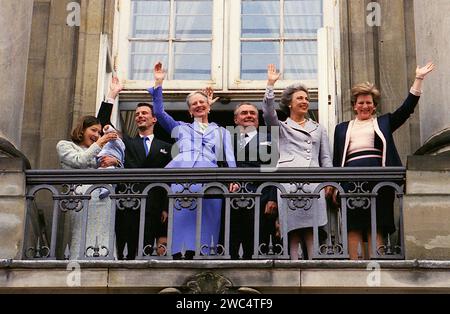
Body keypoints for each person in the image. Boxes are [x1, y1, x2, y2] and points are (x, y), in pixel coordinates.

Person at [333, 62, 435, 260]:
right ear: (354, 105)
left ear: (374, 106)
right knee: (353, 224)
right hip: (350, 181)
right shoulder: (342, 128)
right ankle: (354, 267)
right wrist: (335, 186)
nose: (365, 106)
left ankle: (376, 263)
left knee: (376, 223)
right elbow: (338, 158)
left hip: (379, 180)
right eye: (361, 102)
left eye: (369, 102)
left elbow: (406, 109)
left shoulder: (384, 122)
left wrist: (418, 79)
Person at [147, 62, 237, 259]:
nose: (198, 105)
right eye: (194, 104)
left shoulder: (221, 131)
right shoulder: (181, 128)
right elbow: (160, 113)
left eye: (201, 102)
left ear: (208, 107)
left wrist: (234, 178)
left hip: (210, 180)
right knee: (182, 223)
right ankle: (180, 255)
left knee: (208, 224)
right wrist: (158, 83)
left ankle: (206, 255)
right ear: (189, 111)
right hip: (183, 179)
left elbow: (229, 157)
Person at [262, 64, 333, 260]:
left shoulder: (318, 128)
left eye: (306, 99)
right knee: (292, 228)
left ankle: (312, 263)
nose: (304, 101)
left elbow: (325, 157)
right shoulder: (282, 127)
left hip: (313, 183)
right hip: (289, 182)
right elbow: (268, 114)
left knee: (312, 228)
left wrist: (329, 181)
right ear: (290, 104)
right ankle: (293, 265)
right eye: (299, 98)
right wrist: (270, 85)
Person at [103, 79, 172, 260]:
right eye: (137, 114)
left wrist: (165, 207)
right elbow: (103, 122)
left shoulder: (167, 146)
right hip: (128, 202)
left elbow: (169, 178)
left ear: (154, 118)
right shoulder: (126, 142)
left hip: (154, 205)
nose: (140, 116)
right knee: (127, 250)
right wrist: (112, 95)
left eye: (144, 113)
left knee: (147, 250)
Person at [56, 115, 119, 259]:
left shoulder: (99, 151)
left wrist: (114, 161)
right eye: (93, 130)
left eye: (99, 132)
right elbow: (80, 161)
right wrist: (100, 143)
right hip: (81, 199)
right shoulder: (65, 145)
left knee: (104, 236)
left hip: (103, 199)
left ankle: (107, 260)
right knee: (81, 235)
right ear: (82, 130)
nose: (97, 135)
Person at [231, 102, 279, 259]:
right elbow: (221, 164)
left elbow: (275, 168)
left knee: (257, 245)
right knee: (230, 244)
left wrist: (272, 198)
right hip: (232, 197)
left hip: (261, 195)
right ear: (236, 119)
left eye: (253, 113)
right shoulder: (227, 139)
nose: (249, 115)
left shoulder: (269, 138)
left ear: (258, 120)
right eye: (244, 113)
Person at [96, 124, 125, 199]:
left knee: (109, 173)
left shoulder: (117, 142)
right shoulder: (105, 144)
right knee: (101, 172)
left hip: (112, 158)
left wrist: (108, 128)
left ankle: (105, 189)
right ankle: (104, 189)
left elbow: (112, 133)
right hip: (103, 160)